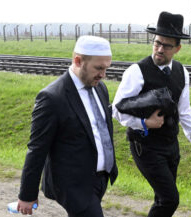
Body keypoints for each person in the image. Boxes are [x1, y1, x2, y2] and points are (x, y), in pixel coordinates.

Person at [112, 11, 191, 217]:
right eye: (157, 43)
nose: (159, 49)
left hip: (170, 146)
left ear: (178, 48)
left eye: (166, 46)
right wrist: (144, 122)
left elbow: (184, 109)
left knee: (162, 199)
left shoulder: (181, 72)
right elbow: (117, 109)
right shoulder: (136, 71)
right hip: (145, 146)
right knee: (169, 199)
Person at [17, 35, 118, 216]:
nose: (103, 75)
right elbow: (37, 148)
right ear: (78, 61)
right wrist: (27, 194)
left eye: (106, 68)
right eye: (99, 68)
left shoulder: (100, 88)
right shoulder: (52, 98)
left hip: (99, 179)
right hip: (73, 185)